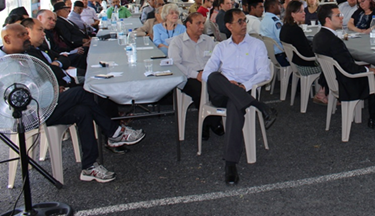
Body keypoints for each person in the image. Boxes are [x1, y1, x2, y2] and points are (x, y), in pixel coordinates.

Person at [0, 23, 145, 183]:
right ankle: (114, 132)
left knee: (83, 111)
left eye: (27, 34)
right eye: (22, 35)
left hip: (48, 103)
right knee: (81, 93)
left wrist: (54, 89)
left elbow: (40, 81)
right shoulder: (3, 65)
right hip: (29, 115)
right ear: (7, 39)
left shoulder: (25, 57)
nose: (27, 37)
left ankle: (89, 166)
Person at [202, 8, 276, 185]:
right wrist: (229, 83)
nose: (244, 25)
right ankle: (259, 105)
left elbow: (264, 72)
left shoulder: (256, 45)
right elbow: (206, 73)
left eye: (245, 20)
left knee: (235, 105)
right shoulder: (221, 47)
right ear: (228, 26)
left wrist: (244, 86)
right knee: (214, 77)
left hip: (242, 92)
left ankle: (230, 164)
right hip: (222, 91)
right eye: (240, 22)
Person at [312, 4, 375, 129]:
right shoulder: (334, 40)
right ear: (328, 20)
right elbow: (349, 67)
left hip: (333, 80)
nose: (342, 18)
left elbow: (345, 64)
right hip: (346, 83)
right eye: (338, 15)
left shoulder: (319, 36)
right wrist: (368, 69)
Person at [168, 12, 223, 139]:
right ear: (188, 24)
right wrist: (195, 74)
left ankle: (208, 122)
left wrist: (210, 72)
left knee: (222, 87)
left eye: (203, 23)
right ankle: (210, 123)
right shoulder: (177, 42)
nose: (201, 26)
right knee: (200, 91)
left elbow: (217, 59)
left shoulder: (208, 40)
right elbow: (175, 64)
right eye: (198, 23)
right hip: (188, 76)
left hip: (208, 73)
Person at [279, 1, 327, 104]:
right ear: (292, 14)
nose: (304, 13)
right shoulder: (296, 30)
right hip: (304, 64)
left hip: (295, 62)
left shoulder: (285, 27)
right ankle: (321, 93)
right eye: (301, 11)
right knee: (330, 65)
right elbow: (307, 53)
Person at [260, 0, 289, 67]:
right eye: (278, 4)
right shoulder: (274, 21)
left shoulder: (264, 19)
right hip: (279, 55)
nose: (281, 6)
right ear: (272, 7)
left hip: (269, 55)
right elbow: (283, 38)